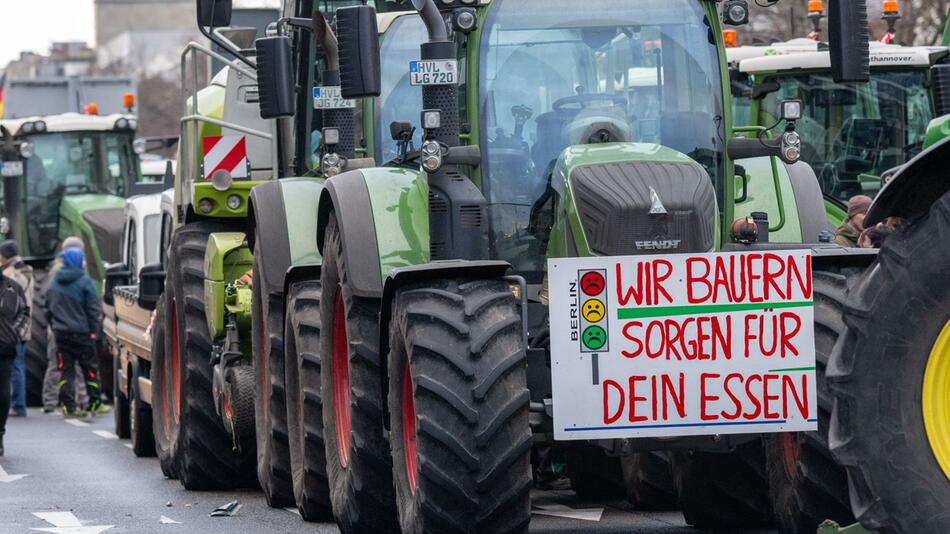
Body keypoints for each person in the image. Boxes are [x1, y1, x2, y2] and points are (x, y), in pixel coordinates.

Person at [46, 247, 107, 417]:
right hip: (83, 335)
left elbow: (47, 310)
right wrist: (94, 331)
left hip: (61, 335)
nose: (84, 262)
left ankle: (68, 407)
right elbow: (93, 309)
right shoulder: (84, 281)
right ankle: (95, 404)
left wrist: (55, 326)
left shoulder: (53, 282)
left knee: (66, 371)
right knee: (90, 369)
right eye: (82, 259)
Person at [42, 237, 89, 413]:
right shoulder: (70, 270)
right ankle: (78, 400)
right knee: (70, 363)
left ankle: (51, 400)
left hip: (58, 324)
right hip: (67, 325)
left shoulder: (58, 269)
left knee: (58, 363)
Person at [0, 268, 31, 455]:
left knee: (2, 393)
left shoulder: (13, 288)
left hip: (5, 348)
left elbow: (25, 312)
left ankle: (0, 432)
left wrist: (16, 333)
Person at [1, 240, 33, 418]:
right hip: (23, 326)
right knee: (17, 365)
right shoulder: (27, 271)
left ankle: (18, 404)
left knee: (14, 368)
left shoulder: (12, 275)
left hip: (10, 330)